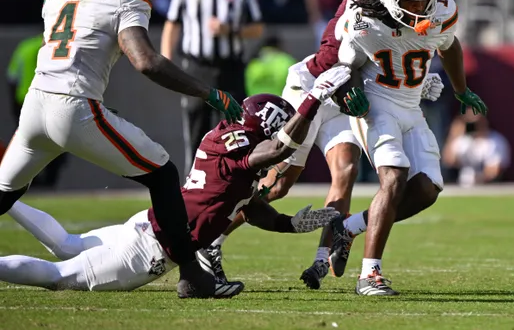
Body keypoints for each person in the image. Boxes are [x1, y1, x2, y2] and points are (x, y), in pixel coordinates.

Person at [0, 0, 243, 299]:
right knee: (163, 174)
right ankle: (193, 276)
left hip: (35, 107)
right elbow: (146, 61)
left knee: (3, 193)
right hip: (74, 107)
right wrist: (208, 92)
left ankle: (193, 275)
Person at [197, 0, 451, 292]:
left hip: (352, 89)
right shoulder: (369, 2)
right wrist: (353, 91)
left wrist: (415, 82)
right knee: (279, 182)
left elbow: (396, 54)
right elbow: (333, 59)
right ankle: (212, 240)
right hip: (318, 86)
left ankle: (324, 255)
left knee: (345, 169)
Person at [0, 68, 353, 294]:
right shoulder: (241, 147)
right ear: (267, 127)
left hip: (148, 225)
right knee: (57, 276)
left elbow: (252, 208)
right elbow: (276, 150)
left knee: (67, 243)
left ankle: (7, 199)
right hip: (152, 249)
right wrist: (313, 99)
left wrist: (290, 225)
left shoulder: (232, 145)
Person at [334, 0, 488, 295]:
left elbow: (449, 45)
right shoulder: (363, 20)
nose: (423, 8)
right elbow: (347, 66)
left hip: (411, 105)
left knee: (428, 189)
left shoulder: (438, 7)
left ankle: (349, 228)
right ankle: (369, 275)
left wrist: (461, 89)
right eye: (414, 2)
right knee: (394, 177)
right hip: (377, 102)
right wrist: (352, 93)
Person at [161, 0, 264, 173]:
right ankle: (192, 186)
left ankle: (233, 185)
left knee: (234, 133)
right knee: (196, 132)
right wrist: (166, 61)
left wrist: (231, 30)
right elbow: (172, 24)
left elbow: (258, 28)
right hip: (196, 68)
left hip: (230, 68)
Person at [6, 34, 68, 188]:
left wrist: (13, 103)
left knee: (26, 142)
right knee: (57, 141)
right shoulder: (59, 46)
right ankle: (48, 180)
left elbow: (12, 77)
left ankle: (26, 181)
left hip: (24, 100)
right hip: (53, 99)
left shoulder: (25, 47)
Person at [442, 109, 510, 187]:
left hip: (488, 186)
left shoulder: (495, 141)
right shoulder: (462, 141)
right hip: (462, 187)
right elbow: (448, 161)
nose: (473, 124)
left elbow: (494, 171)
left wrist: (476, 179)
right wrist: (454, 134)